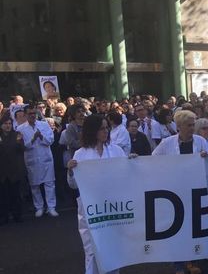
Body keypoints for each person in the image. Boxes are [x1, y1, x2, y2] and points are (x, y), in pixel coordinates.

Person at [67, 114, 133, 274]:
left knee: (113, 247)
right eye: (102, 128)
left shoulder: (116, 150)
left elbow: (126, 177)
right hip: (91, 209)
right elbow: (73, 184)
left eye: (107, 128)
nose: (106, 131)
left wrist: (132, 163)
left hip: (113, 207)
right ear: (92, 131)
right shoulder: (80, 154)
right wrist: (70, 171)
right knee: (91, 249)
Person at [151, 110, 208, 273]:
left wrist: (207, 157)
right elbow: (152, 161)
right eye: (189, 125)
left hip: (195, 191)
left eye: (193, 125)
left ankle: (192, 261)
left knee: (194, 226)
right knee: (177, 226)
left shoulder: (200, 141)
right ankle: (179, 264)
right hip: (175, 192)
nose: (192, 128)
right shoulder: (167, 143)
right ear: (179, 126)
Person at [17, 104, 58, 217]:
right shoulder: (20, 129)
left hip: (46, 158)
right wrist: (33, 139)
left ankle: (51, 207)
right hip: (32, 159)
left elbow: (51, 140)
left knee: (49, 183)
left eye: (34, 113)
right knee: (34, 185)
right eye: (29, 113)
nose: (32, 115)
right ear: (25, 115)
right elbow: (22, 147)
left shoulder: (44, 125)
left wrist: (41, 137)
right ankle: (39, 207)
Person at [0, 114, 26, 224]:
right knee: (3, 196)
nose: (7, 126)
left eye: (9, 124)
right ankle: (3, 216)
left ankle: (17, 215)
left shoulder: (17, 135)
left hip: (15, 170)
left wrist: (19, 142)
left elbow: (22, 149)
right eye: (5, 124)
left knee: (15, 195)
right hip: (2, 170)